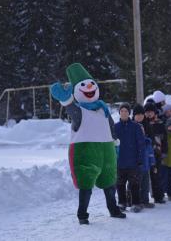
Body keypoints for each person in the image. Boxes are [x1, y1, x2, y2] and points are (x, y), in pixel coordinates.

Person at [50, 63, 125, 225]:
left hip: (107, 151)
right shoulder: (79, 111)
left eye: (91, 84)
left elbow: (111, 127)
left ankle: (113, 209)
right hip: (86, 152)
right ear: (77, 90)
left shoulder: (102, 109)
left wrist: (115, 143)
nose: (89, 87)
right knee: (86, 186)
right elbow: (71, 109)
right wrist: (66, 100)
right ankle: (82, 214)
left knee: (109, 184)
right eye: (83, 85)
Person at [115, 103, 145, 213]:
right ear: (119, 113)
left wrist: (140, 159)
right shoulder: (115, 127)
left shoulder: (136, 127)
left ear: (129, 113)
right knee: (120, 184)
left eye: (126, 111)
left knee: (134, 184)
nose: (124, 113)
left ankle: (136, 203)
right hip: (120, 161)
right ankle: (122, 203)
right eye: (122, 111)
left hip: (133, 161)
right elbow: (111, 144)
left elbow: (141, 144)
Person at [132, 104, 156, 208]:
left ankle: (145, 200)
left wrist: (152, 162)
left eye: (141, 114)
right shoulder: (131, 125)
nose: (140, 116)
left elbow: (151, 146)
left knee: (145, 182)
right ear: (134, 115)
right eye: (137, 114)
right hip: (134, 161)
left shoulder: (147, 126)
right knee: (135, 182)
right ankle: (134, 201)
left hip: (145, 161)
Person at [144, 102, 168, 204]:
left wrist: (164, 151)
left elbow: (165, 139)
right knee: (143, 176)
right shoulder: (142, 124)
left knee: (156, 175)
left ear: (154, 112)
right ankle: (142, 198)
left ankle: (159, 195)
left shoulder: (160, 123)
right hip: (145, 154)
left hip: (156, 153)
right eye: (147, 112)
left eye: (151, 112)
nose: (149, 114)